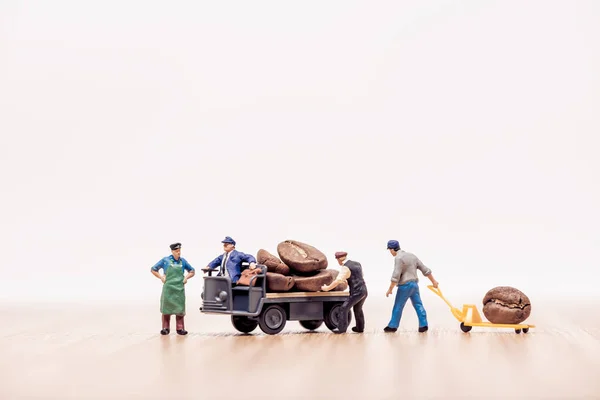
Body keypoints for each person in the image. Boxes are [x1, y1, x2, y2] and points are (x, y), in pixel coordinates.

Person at [383, 240, 439, 333]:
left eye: (390, 250)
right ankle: (423, 324)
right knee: (418, 304)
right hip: (414, 285)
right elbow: (425, 270)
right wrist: (434, 281)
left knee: (398, 306)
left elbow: (396, 275)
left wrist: (390, 289)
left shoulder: (398, 258)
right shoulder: (412, 256)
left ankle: (392, 326)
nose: (390, 252)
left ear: (392, 249)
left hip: (404, 286)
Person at [150, 242, 195, 335]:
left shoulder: (183, 261)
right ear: (172, 251)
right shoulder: (165, 260)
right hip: (168, 288)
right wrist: (161, 277)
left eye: (179, 251)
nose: (178, 253)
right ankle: (165, 327)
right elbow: (153, 269)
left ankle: (180, 328)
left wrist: (186, 278)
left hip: (179, 288)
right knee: (166, 309)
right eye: (176, 251)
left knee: (180, 309)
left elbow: (192, 271)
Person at [321, 251, 368, 334]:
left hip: (356, 292)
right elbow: (360, 276)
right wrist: (347, 280)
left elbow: (338, 280)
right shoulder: (357, 264)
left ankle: (341, 329)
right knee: (358, 309)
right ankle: (360, 328)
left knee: (343, 308)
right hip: (364, 291)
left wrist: (327, 288)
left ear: (339, 259)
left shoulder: (345, 267)